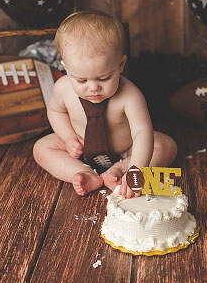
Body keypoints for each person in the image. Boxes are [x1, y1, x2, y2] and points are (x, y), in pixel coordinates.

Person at [33, 10, 177, 196]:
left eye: (104, 78)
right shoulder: (62, 88)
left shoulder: (130, 95)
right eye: (82, 80)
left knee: (166, 146)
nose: (93, 88)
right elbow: (55, 111)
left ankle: (121, 169)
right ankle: (82, 172)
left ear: (120, 65)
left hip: (126, 150)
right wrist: (68, 137)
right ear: (65, 67)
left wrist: (136, 170)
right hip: (81, 150)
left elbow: (142, 131)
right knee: (41, 148)